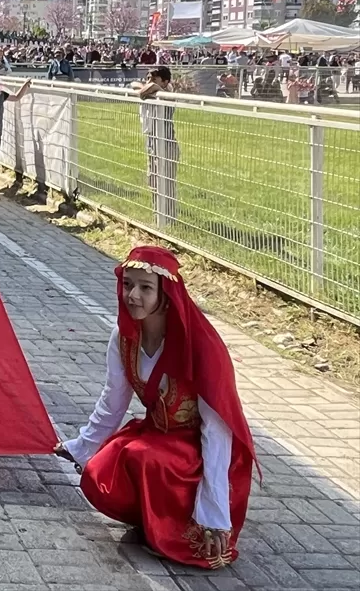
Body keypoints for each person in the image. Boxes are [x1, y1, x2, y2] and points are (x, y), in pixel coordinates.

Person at [55, 247, 255, 570]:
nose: (132, 295)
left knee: (143, 458)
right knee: (97, 474)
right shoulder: (124, 337)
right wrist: (81, 447)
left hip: (198, 451)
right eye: (128, 284)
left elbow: (216, 431)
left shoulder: (200, 347)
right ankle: (155, 520)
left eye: (146, 287)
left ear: (166, 293)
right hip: (156, 433)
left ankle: (180, 524)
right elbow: (113, 400)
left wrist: (214, 512)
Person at [137, 66, 179, 226]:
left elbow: (141, 92)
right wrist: (151, 85)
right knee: (153, 181)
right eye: (147, 78)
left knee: (166, 183)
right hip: (152, 143)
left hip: (166, 144)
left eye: (154, 79)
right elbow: (136, 86)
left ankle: (169, 219)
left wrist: (151, 88)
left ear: (166, 81)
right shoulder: (153, 91)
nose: (149, 82)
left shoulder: (167, 94)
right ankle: (158, 216)